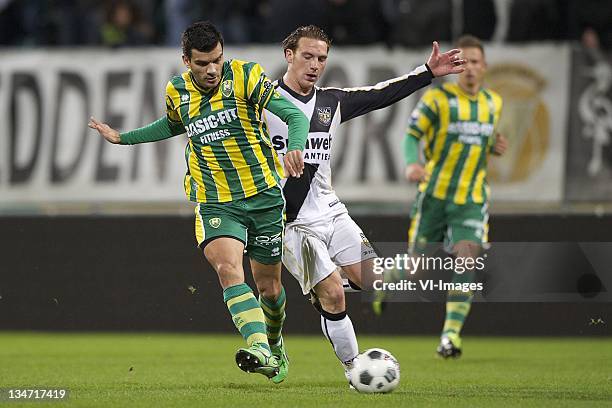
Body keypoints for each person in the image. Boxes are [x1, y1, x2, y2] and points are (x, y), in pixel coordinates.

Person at [88, 21, 309, 383]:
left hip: (264, 196)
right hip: (215, 200)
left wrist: (296, 146)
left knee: (269, 288)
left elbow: (293, 115)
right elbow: (174, 124)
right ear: (186, 61)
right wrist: (123, 138)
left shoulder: (245, 76)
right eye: (203, 63)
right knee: (227, 269)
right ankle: (258, 347)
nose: (212, 70)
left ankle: (273, 342)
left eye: (217, 60)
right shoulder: (176, 90)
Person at [263, 25, 465, 381]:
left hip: (331, 211)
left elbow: (379, 94)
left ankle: (325, 283)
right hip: (289, 223)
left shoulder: (331, 102)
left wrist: (427, 73)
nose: (314, 65)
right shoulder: (261, 104)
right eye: (307, 56)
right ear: (288, 55)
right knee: (334, 298)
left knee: (374, 281)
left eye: (321, 58)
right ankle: (355, 369)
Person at [374, 35, 508, 359]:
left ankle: (449, 337)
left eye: (476, 62)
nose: (471, 68)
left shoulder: (493, 103)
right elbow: (412, 134)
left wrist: (493, 146)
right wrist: (411, 163)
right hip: (434, 196)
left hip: (472, 199)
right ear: (457, 66)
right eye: (464, 62)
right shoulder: (438, 100)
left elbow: (480, 141)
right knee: (418, 269)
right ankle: (385, 278)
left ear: (485, 66)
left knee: (468, 260)